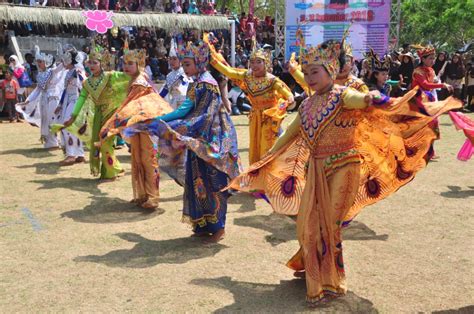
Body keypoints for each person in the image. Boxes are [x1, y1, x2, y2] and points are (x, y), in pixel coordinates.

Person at [226, 39, 460, 306]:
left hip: (345, 167)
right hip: (315, 170)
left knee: (330, 224)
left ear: (329, 70)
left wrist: (372, 97)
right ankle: (314, 266)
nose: (311, 78)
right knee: (307, 225)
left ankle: (329, 283)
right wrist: (259, 164)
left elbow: (360, 100)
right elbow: (287, 138)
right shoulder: (305, 106)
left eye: (315, 72)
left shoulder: (342, 94)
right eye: (308, 72)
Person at [124, 40, 241, 243]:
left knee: (213, 181)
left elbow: (195, 114)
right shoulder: (197, 81)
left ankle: (218, 228)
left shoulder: (206, 84)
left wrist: (161, 122)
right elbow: (187, 109)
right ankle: (203, 224)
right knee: (197, 180)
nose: (183, 68)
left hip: (212, 139)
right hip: (199, 139)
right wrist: (162, 121)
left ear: (200, 62)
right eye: (183, 64)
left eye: (187, 64)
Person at [99, 46, 173, 210]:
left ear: (139, 64)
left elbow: (127, 106)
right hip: (138, 125)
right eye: (124, 63)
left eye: (130, 63)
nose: (126, 66)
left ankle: (153, 197)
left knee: (148, 159)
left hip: (146, 125)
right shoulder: (133, 79)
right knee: (138, 158)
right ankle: (142, 194)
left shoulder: (140, 81)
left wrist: (110, 125)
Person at [207, 35, 294, 164]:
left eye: (259, 62)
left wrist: (290, 99)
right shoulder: (247, 76)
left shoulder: (271, 80)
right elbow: (229, 72)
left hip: (269, 117)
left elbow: (287, 93)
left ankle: (269, 171)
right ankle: (257, 173)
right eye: (252, 62)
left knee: (267, 145)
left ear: (266, 63)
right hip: (255, 116)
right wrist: (211, 58)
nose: (254, 65)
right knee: (255, 144)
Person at [62, 43, 129, 180]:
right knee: (101, 144)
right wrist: (73, 117)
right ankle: (108, 172)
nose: (91, 65)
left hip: (111, 115)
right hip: (98, 116)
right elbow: (81, 99)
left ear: (101, 64)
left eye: (95, 63)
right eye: (90, 63)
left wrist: (136, 70)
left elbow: (127, 77)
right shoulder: (87, 83)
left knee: (105, 144)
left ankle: (114, 168)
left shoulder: (110, 76)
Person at [16, 46, 65, 149]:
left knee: (53, 120)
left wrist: (64, 57)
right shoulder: (40, 74)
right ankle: (51, 143)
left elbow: (62, 66)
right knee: (45, 120)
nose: (38, 64)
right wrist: (28, 101)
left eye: (40, 61)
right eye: (37, 61)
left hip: (52, 99)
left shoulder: (52, 71)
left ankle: (60, 141)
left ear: (46, 62)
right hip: (43, 100)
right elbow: (38, 90)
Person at [411, 44, 454, 158]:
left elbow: (430, 85)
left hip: (429, 100)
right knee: (422, 126)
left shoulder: (431, 70)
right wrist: (442, 84)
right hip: (418, 101)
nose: (432, 60)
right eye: (430, 58)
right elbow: (425, 85)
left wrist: (436, 81)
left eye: (433, 58)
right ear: (422, 59)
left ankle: (430, 151)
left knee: (433, 124)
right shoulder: (417, 72)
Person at [55, 47, 87, 166]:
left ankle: (72, 155)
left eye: (65, 60)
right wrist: (60, 104)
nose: (63, 62)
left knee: (68, 124)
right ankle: (79, 154)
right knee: (72, 126)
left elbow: (84, 83)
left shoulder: (77, 70)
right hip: (68, 100)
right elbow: (65, 90)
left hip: (76, 100)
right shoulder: (69, 72)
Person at [159, 37, 191, 110]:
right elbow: (165, 90)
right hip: (172, 104)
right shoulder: (169, 75)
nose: (171, 61)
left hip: (183, 105)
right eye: (170, 59)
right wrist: (157, 99)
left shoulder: (185, 72)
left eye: (174, 59)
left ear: (180, 60)